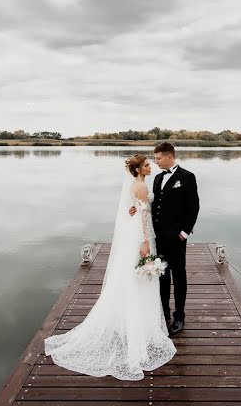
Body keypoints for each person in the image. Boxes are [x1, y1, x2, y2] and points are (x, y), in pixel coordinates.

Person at [43, 154, 176, 380]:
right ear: (138, 170)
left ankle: (133, 323)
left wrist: (136, 211)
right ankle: (137, 329)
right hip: (140, 235)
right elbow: (144, 215)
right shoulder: (141, 186)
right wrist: (145, 241)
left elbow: (137, 209)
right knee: (139, 280)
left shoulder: (137, 184)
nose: (150, 166)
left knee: (131, 278)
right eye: (146, 165)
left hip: (133, 232)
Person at [129, 142, 200, 335]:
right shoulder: (158, 178)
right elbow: (153, 205)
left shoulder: (187, 177)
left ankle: (179, 317)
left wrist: (184, 233)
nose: (156, 162)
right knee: (161, 276)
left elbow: (194, 208)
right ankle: (164, 313)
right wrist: (136, 208)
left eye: (158, 158)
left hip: (176, 238)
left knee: (178, 276)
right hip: (157, 236)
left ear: (170, 156)